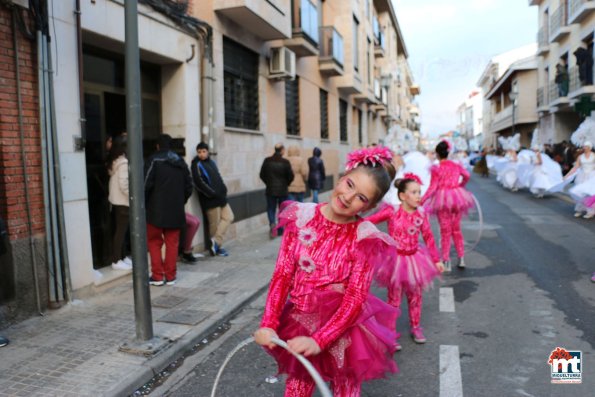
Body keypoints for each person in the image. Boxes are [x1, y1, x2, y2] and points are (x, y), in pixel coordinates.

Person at [254, 146, 399, 397]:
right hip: (300, 323)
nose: (349, 196)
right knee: (297, 390)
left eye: (362, 198)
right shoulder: (301, 217)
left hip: (343, 334)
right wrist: (269, 323)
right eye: (350, 184)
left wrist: (320, 340)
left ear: (369, 207)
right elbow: (282, 275)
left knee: (345, 390)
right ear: (342, 177)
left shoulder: (364, 237)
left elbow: (355, 298)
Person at [367, 174, 443, 349]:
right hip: (395, 262)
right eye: (414, 192)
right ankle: (390, 332)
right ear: (402, 196)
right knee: (394, 299)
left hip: (415, 260)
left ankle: (416, 327)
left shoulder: (421, 215)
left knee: (415, 296)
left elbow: (429, 238)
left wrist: (436, 260)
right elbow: (370, 221)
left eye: (419, 192)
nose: (418, 196)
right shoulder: (392, 211)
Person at [145, 134, 193, 286]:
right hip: (175, 210)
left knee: (154, 242)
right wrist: (181, 201)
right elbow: (189, 186)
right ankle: (171, 276)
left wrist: (145, 204)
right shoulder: (180, 161)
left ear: (157, 146)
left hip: (155, 211)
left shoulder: (153, 160)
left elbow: (145, 185)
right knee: (172, 243)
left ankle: (158, 276)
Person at [422, 140, 474, 270]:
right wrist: (459, 186)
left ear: (437, 154)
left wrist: (421, 200)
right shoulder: (456, 165)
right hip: (457, 197)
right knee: (456, 229)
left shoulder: (437, 168)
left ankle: (446, 261)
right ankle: (461, 258)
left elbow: (433, 187)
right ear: (448, 152)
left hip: (442, 200)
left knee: (445, 230)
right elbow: (467, 175)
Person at [191, 142, 234, 256]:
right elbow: (199, 183)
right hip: (210, 200)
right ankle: (216, 248)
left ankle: (216, 242)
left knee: (229, 217)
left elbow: (218, 176)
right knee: (214, 226)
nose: (201, 154)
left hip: (221, 197)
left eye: (203, 151)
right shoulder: (196, 164)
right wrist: (212, 194)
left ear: (207, 152)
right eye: (199, 152)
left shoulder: (212, 162)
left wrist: (223, 189)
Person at [107, 135, 132, 271]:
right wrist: (133, 196)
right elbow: (124, 184)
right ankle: (116, 260)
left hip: (116, 202)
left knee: (120, 231)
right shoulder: (123, 163)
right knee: (121, 232)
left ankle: (121, 257)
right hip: (123, 202)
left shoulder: (114, 161)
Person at [260, 143, 294, 238]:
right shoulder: (285, 162)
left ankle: (272, 224)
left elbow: (262, 175)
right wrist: (286, 184)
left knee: (271, 208)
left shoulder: (267, 161)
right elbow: (291, 176)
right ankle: (280, 229)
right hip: (282, 190)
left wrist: (268, 183)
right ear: (282, 150)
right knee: (282, 209)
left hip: (270, 190)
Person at [566, 141, 595, 218]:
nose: (584, 148)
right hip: (581, 177)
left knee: (589, 194)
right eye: (583, 146)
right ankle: (579, 210)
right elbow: (575, 167)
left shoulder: (594, 156)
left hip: (591, 177)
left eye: (585, 146)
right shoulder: (580, 156)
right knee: (580, 193)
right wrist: (567, 175)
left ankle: (590, 212)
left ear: (589, 147)